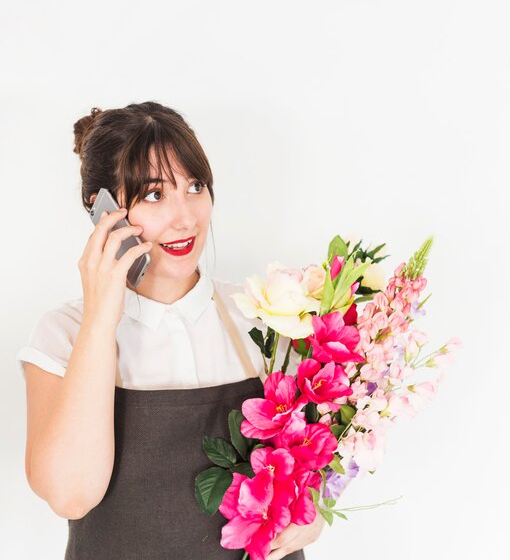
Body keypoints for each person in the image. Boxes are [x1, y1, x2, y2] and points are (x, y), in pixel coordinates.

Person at [17, 101, 325, 559]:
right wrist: (102, 318)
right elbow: (71, 495)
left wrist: (311, 513)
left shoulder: (264, 316)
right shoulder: (64, 333)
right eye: (155, 195)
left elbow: (309, 462)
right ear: (100, 209)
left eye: (195, 187)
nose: (186, 218)